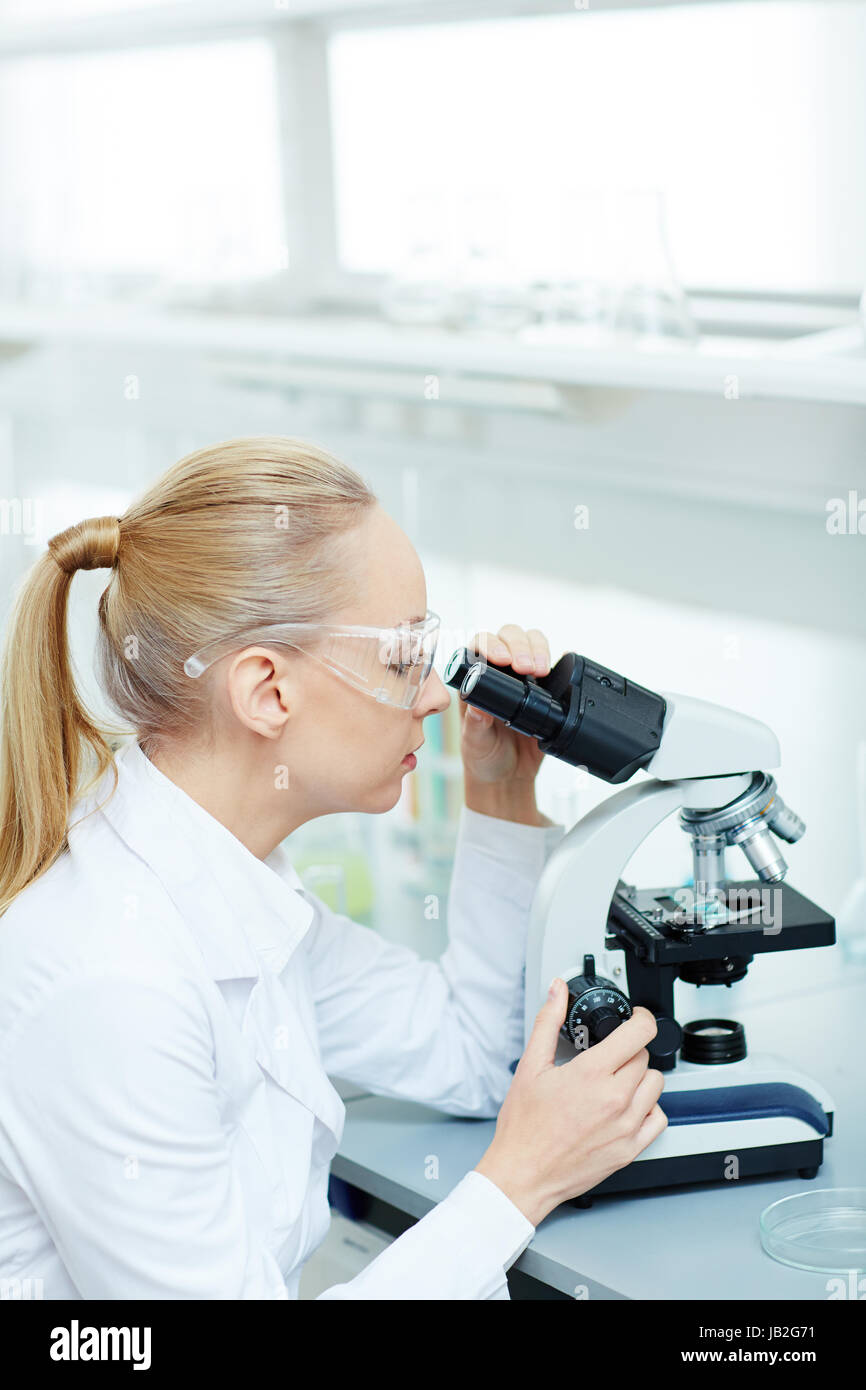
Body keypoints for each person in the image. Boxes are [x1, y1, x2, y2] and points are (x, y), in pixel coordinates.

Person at [0, 436, 666, 1300]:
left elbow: (473, 1050)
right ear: (267, 692)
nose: (434, 694)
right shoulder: (110, 982)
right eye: (402, 658)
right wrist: (518, 1184)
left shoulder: (229, 881)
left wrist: (499, 797)